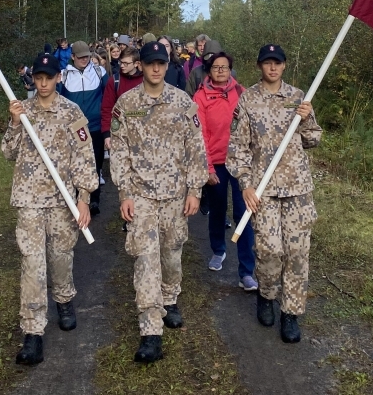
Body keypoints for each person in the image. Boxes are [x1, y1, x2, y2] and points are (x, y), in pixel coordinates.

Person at [110, 40, 207, 364]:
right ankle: (150, 331)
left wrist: (195, 190)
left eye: (160, 63)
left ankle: (171, 298)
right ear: (141, 65)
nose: (155, 68)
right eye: (149, 63)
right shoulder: (126, 105)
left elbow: (196, 148)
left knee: (171, 255)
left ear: (167, 66)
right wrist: (124, 193)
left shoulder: (183, 103)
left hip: (175, 195)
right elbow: (119, 152)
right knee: (145, 261)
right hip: (141, 197)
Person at [2, 51, 98, 366]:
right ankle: (32, 331)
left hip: (62, 201)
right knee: (32, 264)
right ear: (34, 79)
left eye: (48, 78)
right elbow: (7, 152)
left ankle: (64, 300)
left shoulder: (72, 112)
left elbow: (86, 157)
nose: (43, 83)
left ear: (58, 78)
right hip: (29, 199)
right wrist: (15, 123)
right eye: (38, 78)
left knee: (60, 256)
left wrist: (84, 197)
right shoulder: (23, 111)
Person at [227, 44, 322, 344]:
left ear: (284, 66)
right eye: (267, 63)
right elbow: (237, 148)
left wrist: (306, 119)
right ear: (259, 66)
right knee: (269, 251)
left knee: (296, 254)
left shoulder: (298, 98)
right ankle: (266, 295)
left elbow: (313, 139)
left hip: (297, 189)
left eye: (277, 63)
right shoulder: (248, 100)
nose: (272, 68)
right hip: (263, 191)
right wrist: (245, 183)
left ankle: (290, 313)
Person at [193, 50, 257, 291]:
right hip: (216, 163)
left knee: (244, 214)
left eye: (225, 67)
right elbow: (200, 135)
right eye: (216, 67)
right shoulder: (200, 97)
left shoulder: (242, 93)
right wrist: (207, 167)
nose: (221, 71)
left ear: (231, 70)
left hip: (240, 164)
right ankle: (218, 250)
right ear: (209, 71)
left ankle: (246, 271)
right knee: (218, 211)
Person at [58, 40, 109, 215]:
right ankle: (76, 199)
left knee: (94, 163)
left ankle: (94, 200)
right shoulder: (64, 75)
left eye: (87, 56)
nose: (84, 59)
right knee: (74, 164)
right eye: (80, 57)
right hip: (72, 128)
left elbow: (108, 96)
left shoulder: (99, 71)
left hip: (94, 126)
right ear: (73, 57)